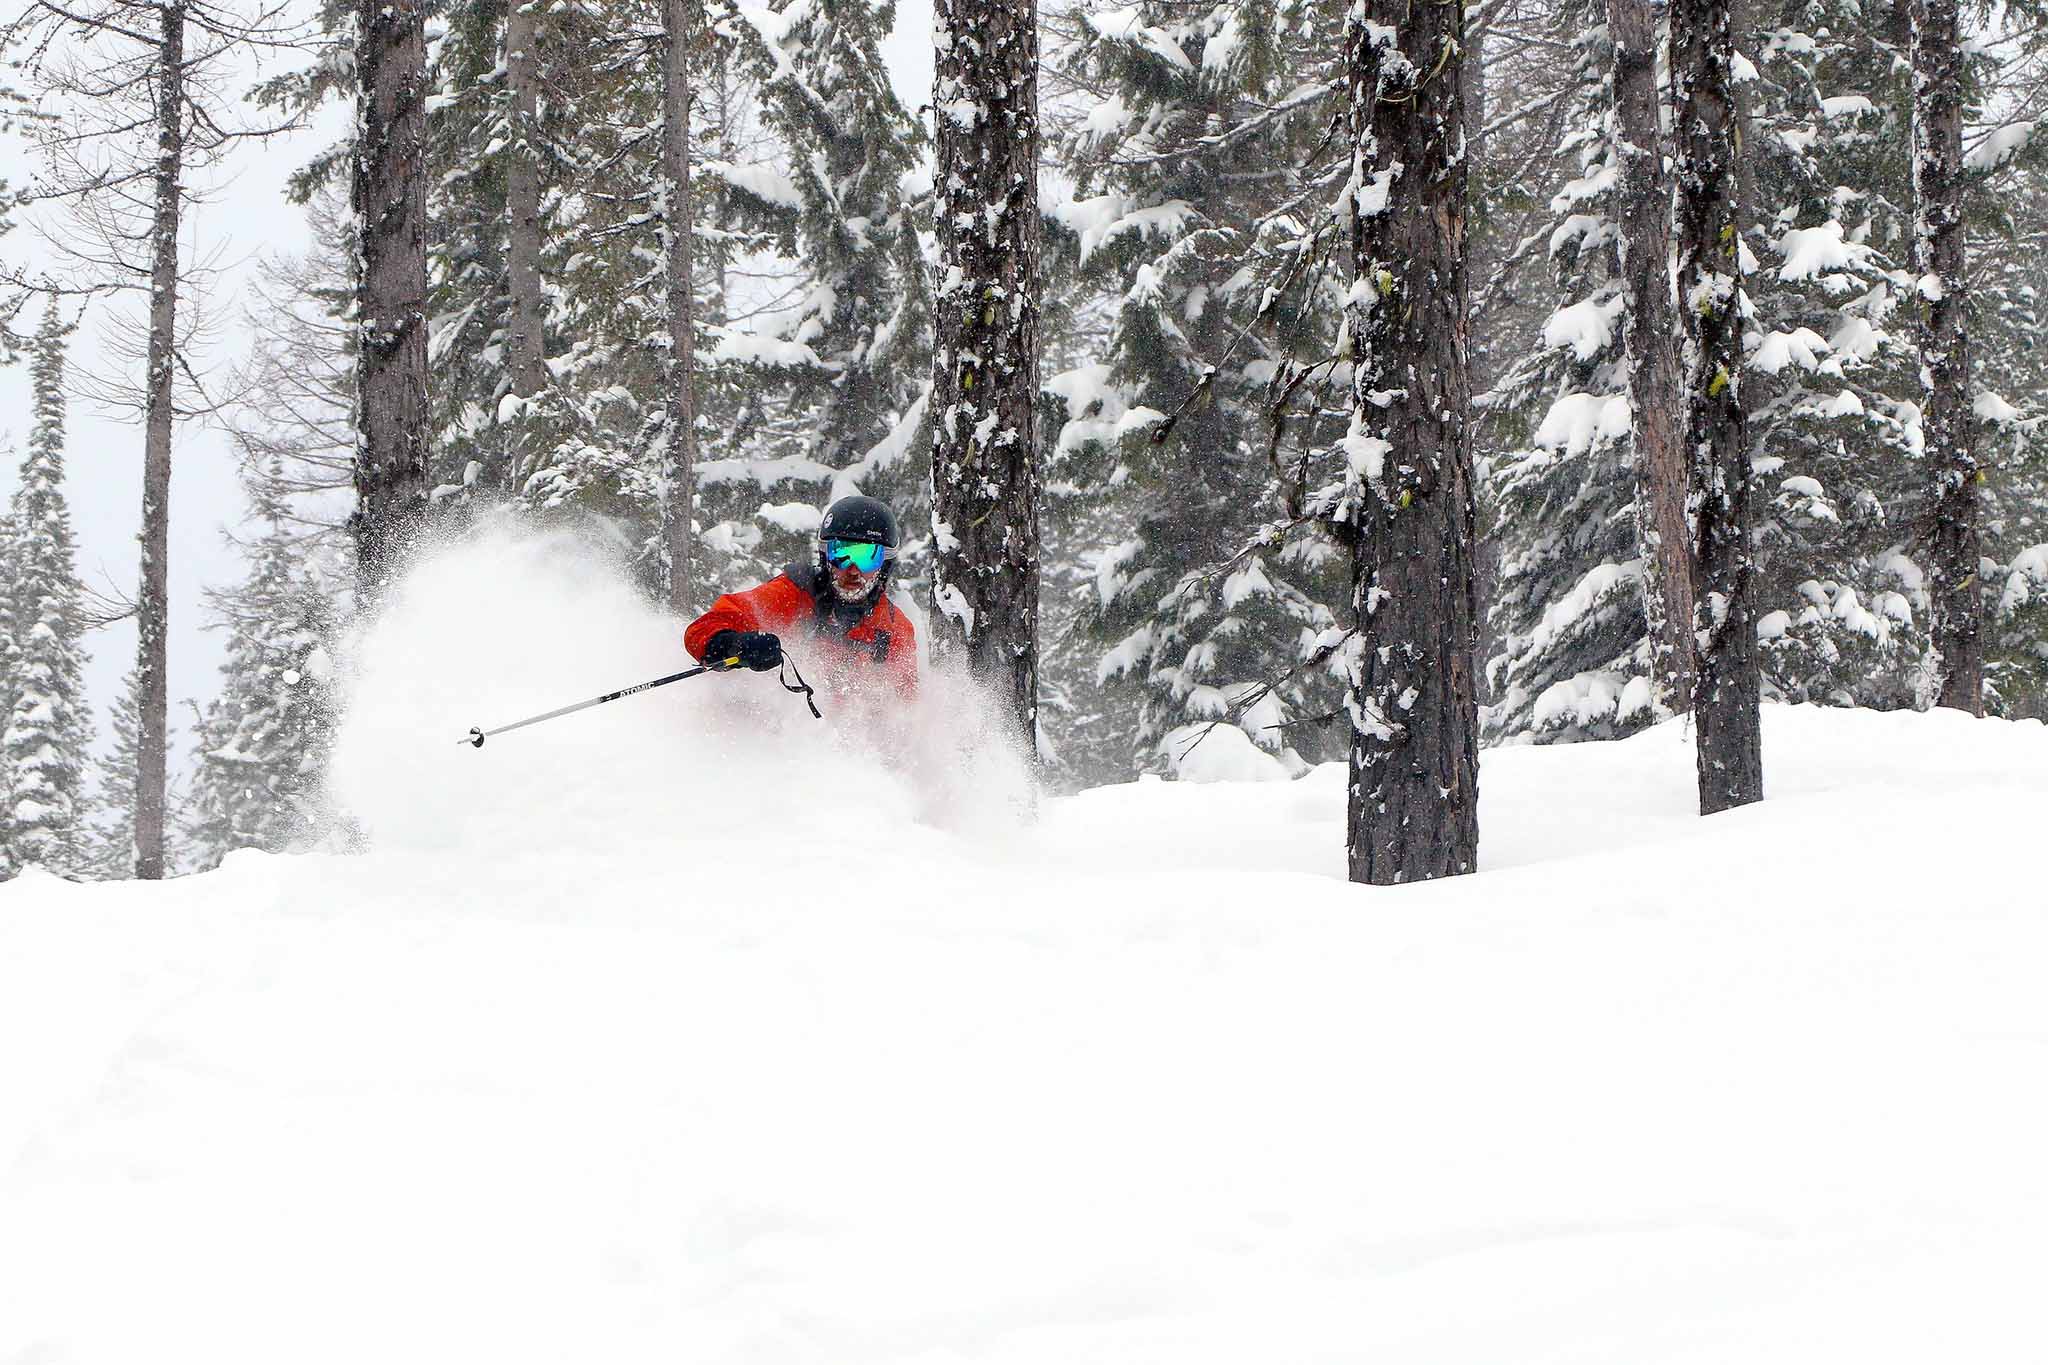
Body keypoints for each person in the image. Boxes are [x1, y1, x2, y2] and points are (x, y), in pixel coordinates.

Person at [684, 494, 918, 699]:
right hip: (782, 732)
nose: (853, 569)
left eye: (868, 557)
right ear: (825, 556)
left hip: (848, 740)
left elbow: (907, 704)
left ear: (884, 565)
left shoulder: (893, 629)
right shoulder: (793, 594)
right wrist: (737, 645)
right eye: (841, 554)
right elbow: (704, 629)